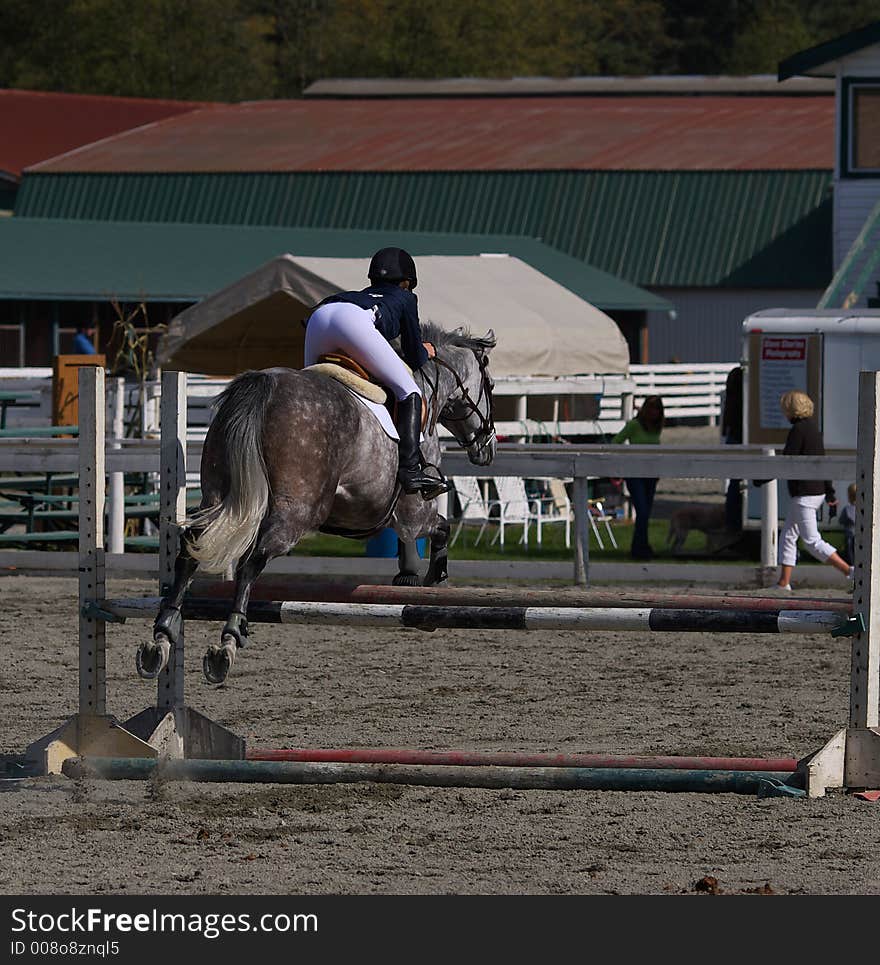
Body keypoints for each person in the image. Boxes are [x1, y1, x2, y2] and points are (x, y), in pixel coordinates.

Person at [303, 246, 448, 499]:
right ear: (407, 282)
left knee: (306, 389)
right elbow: (414, 355)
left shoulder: (359, 295)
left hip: (319, 315)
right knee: (409, 390)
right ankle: (411, 469)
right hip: (352, 322)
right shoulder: (405, 298)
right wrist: (428, 351)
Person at [775, 390, 854, 591]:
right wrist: (830, 492)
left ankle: (850, 572)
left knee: (811, 541)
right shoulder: (813, 430)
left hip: (805, 494)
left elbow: (787, 460)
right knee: (788, 536)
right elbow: (822, 462)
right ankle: (783, 583)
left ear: (791, 409)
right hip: (815, 491)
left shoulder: (798, 431)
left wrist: (762, 477)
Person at [612, 395, 664, 560]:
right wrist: (625, 460)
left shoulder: (656, 427)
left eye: (657, 409)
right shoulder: (634, 425)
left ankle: (640, 546)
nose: (654, 413)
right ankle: (640, 548)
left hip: (650, 474)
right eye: (652, 408)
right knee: (641, 511)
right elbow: (616, 442)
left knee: (645, 513)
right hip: (635, 474)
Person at [720, 365, 744, 533]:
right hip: (739, 436)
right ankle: (734, 521)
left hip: (733, 435)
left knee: (734, 483)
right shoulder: (743, 401)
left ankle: (731, 521)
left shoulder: (731, 398)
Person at [839, 482, 857, 566]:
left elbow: (841, 520)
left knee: (850, 550)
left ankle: (851, 564)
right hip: (859, 534)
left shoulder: (847, 509)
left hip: (849, 533)